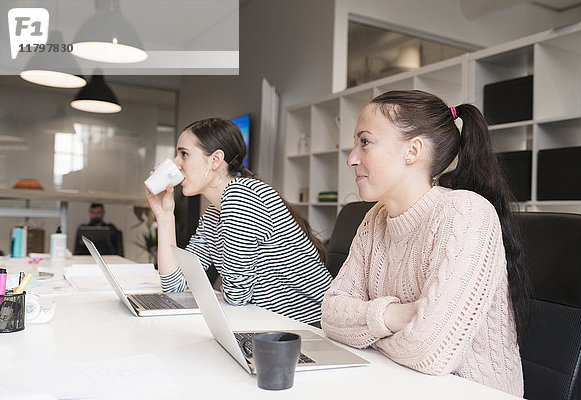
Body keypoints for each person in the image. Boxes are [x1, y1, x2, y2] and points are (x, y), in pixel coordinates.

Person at [320, 90, 530, 397]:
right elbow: (330, 315)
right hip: (401, 383)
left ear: (413, 150)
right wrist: (397, 316)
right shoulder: (375, 219)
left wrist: (366, 329)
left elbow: (431, 352)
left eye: (364, 142)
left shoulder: (466, 214)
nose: (352, 158)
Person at [146, 118, 332, 325]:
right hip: (267, 324)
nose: (176, 164)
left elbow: (237, 296)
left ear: (215, 159)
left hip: (308, 327)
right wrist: (164, 215)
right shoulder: (213, 215)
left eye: (184, 154)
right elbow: (175, 285)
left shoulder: (241, 196)